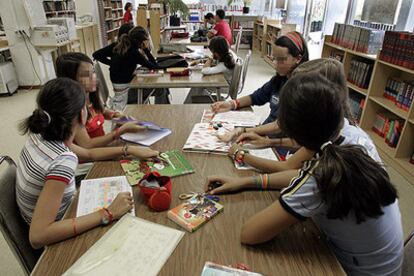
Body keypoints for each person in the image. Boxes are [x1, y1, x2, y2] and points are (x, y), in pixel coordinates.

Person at [213, 73, 403, 275]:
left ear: (292, 136)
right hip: (381, 266)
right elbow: (296, 175)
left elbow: (250, 234)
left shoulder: (319, 176)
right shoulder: (348, 139)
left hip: (349, 270)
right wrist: (245, 182)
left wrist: (245, 164)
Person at [16, 78, 157, 249]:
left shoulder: (42, 136)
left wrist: (129, 150)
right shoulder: (63, 160)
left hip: (48, 215)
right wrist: (108, 213)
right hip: (54, 238)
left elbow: (88, 153)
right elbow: (38, 236)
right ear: (81, 114)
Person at [225, 58, 362, 174]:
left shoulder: (338, 137)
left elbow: (290, 170)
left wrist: (239, 153)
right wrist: (267, 141)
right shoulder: (332, 125)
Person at [213, 31, 309, 140]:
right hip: (267, 134)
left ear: (298, 58)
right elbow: (256, 97)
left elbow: (279, 126)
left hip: (281, 142)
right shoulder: (280, 79)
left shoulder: (302, 89)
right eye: (274, 58)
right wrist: (232, 104)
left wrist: (244, 131)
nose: (275, 63)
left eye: (281, 59)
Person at [93, 25, 169, 108]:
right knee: (161, 88)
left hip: (118, 93)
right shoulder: (134, 52)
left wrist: (112, 63)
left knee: (158, 87)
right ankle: (163, 111)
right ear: (141, 41)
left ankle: (160, 111)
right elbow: (154, 66)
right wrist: (146, 49)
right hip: (127, 95)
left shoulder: (116, 46)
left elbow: (96, 54)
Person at [185, 36, 237, 103]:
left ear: (216, 52)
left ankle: (188, 104)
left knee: (197, 86)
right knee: (198, 87)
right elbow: (215, 62)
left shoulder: (224, 65)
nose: (212, 54)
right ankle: (192, 103)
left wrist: (210, 58)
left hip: (227, 86)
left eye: (212, 52)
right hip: (229, 82)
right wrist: (201, 61)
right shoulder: (228, 54)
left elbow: (204, 71)